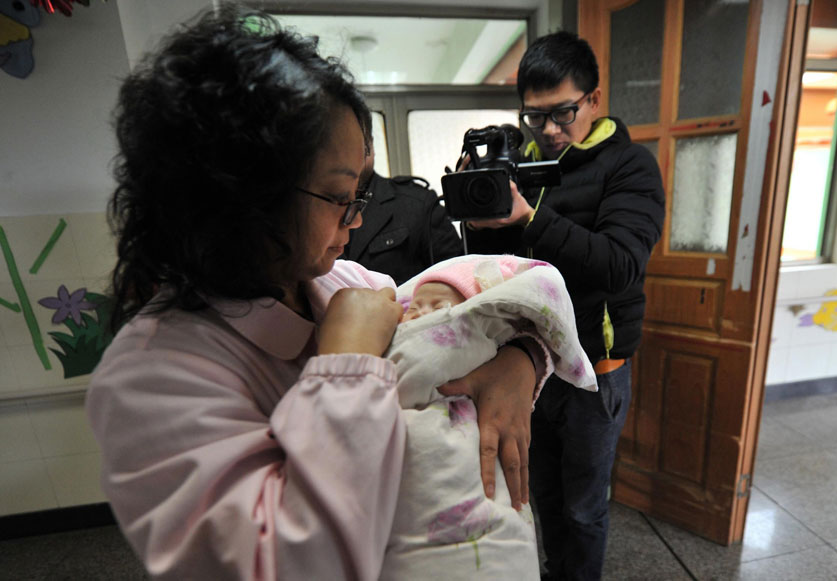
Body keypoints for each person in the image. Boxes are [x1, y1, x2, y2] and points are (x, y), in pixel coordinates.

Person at [85, 7, 538, 580]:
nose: (356, 221)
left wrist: (521, 359)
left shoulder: (347, 282)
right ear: (241, 197)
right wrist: (347, 364)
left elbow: (489, 314)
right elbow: (290, 563)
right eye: (339, 197)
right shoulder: (148, 379)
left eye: (360, 195)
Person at [464, 31, 666, 580]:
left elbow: (619, 264)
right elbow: (495, 268)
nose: (550, 130)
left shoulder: (629, 165)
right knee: (543, 497)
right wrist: (482, 212)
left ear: (593, 100)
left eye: (563, 113)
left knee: (583, 507)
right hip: (528, 366)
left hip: (595, 371)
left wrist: (531, 218)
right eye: (535, 116)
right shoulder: (518, 166)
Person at [380, 254, 597, 580]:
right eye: (415, 307)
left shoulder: (480, 332)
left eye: (438, 307)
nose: (422, 314)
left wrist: (525, 356)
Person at [341, 142, 463, 284]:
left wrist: (474, 228)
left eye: (360, 147)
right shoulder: (319, 209)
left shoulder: (418, 204)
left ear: (371, 147)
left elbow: (459, 274)